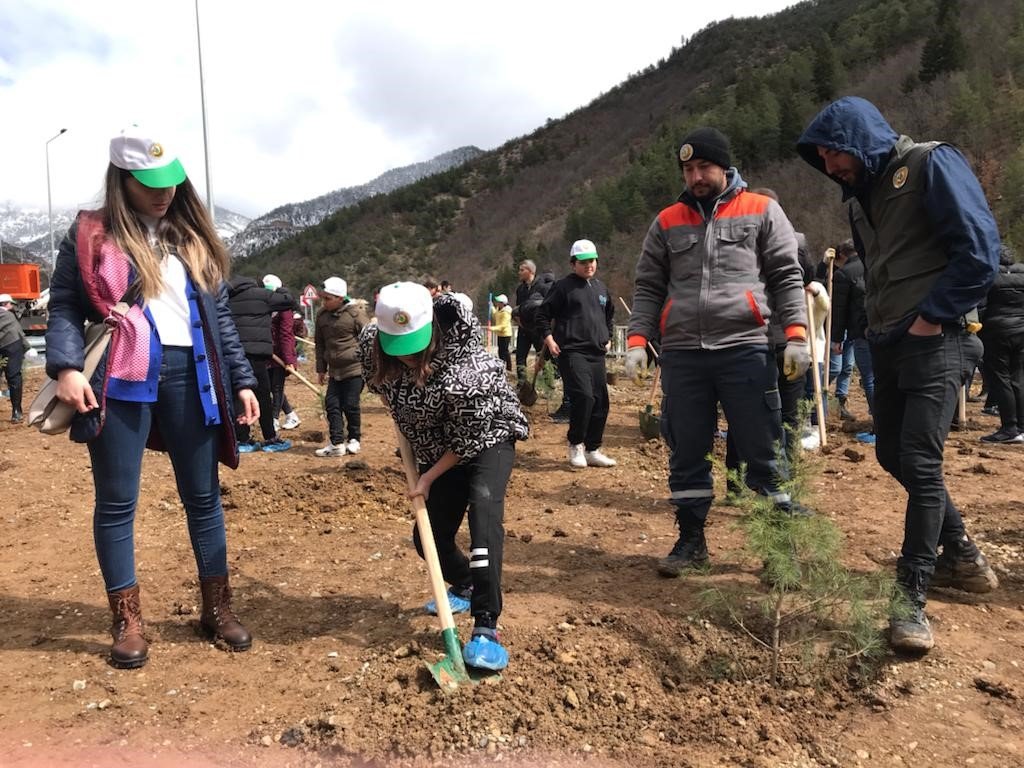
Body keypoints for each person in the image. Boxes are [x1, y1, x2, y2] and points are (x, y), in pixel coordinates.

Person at [45, 124, 257, 668]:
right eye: (150, 183)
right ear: (123, 179)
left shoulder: (192, 234)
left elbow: (220, 318)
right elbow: (66, 304)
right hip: (120, 375)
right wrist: (68, 367)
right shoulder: (91, 233)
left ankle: (217, 608)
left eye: (171, 181)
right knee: (117, 502)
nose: (164, 192)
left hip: (194, 375)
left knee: (204, 497)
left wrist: (242, 380)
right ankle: (127, 619)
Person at [798, 96, 1001, 652]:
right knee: (891, 452)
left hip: (937, 339)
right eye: (823, 161)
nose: (831, 169)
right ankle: (960, 553)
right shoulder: (860, 204)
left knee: (921, 461)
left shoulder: (932, 165)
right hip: (888, 340)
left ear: (860, 140)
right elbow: (878, 273)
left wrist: (933, 318)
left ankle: (910, 598)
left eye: (835, 156)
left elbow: (982, 251)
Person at [624, 127, 810, 577]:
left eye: (703, 167)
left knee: (763, 449)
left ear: (724, 167)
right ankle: (691, 542)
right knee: (686, 450)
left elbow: (786, 275)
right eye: (687, 170)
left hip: (746, 348)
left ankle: (777, 551)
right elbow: (648, 285)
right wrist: (636, 340)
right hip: (684, 353)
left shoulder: (762, 210)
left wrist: (797, 333)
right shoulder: (667, 221)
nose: (695, 177)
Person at [358, 283, 529, 671]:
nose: (407, 358)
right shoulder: (373, 345)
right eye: (397, 351)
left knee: (483, 521)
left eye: (415, 348)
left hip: (486, 439)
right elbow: (379, 385)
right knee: (427, 538)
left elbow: (467, 441)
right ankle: (465, 585)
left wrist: (427, 478)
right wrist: (393, 399)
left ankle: (486, 626)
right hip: (438, 446)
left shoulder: (470, 369)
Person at [534, 239, 617, 469]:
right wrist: (549, 339)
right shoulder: (563, 287)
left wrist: (608, 337)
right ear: (573, 264)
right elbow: (542, 315)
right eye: (583, 262)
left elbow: (609, 315)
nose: (588, 265)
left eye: (592, 260)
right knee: (584, 396)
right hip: (571, 350)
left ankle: (593, 449)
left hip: (596, 352)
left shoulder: (601, 288)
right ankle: (576, 444)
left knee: (601, 402)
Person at [227, 273, 294, 453]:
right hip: (257, 354)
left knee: (237, 396)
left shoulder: (227, 297)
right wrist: (281, 288)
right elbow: (288, 301)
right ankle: (270, 437)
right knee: (263, 396)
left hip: (234, 354)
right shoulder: (262, 295)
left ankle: (241, 439)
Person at [314, 277, 367, 457]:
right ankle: (337, 443)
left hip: (355, 368)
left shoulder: (355, 315)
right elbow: (319, 344)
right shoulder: (321, 316)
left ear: (340, 298)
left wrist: (369, 366)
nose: (324, 302)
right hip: (334, 371)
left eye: (328, 299)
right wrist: (321, 369)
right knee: (332, 404)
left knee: (351, 404)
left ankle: (354, 439)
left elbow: (368, 339)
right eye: (323, 298)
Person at [829, 239, 876, 438]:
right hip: (881, 328)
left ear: (842, 255)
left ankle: (880, 425)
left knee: (870, 379)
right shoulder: (873, 263)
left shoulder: (843, 274)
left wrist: (836, 338)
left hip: (858, 331)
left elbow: (838, 311)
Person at [977, 247, 1024, 444]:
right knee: (1019, 377)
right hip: (1022, 330)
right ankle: (1021, 427)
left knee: (1000, 379)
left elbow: (981, 307)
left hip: (996, 333)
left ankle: (1009, 428)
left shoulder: (989, 276)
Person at [263, 275, 301, 431]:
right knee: (272, 387)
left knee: (277, 387)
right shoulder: (264, 304)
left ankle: (274, 419)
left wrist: (288, 359)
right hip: (268, 353)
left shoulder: (284, 305)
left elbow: (286, 334)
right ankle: (292, 416)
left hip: (280, 353)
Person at [0, 294, 29, 422]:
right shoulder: (9, 315)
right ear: (6, 304)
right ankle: (17, 411)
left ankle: (17, 410)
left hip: (10, 346)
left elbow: (18, 332)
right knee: (14, 377)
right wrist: (27, 347)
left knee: (13, 377)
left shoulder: (8, 316)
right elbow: (20, 333)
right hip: (13, 346)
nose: (12, 306)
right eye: (10, 304)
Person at [512, 259, 537, 381]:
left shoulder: (540, 287)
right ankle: (522, 383)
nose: (519, 272)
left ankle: (549, 384)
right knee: (520, 357)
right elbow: (518, 308)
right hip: (523, 328)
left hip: (538, 328)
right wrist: (517, 319)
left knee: (544, 357)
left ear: (530, 271)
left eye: (522, 270)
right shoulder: (520, 289)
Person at [491, 294, 513, 371]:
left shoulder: (506, 312)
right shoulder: (498, 309)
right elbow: (495, 315)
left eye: (498, 302)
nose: (497, 303)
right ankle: (502, 366)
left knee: (504, 351)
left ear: (503, 303)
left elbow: (503, 326)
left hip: (506, 334)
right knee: (501, 350)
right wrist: (491, 307)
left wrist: (491, 328)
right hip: (500, 334)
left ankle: (507, 367)